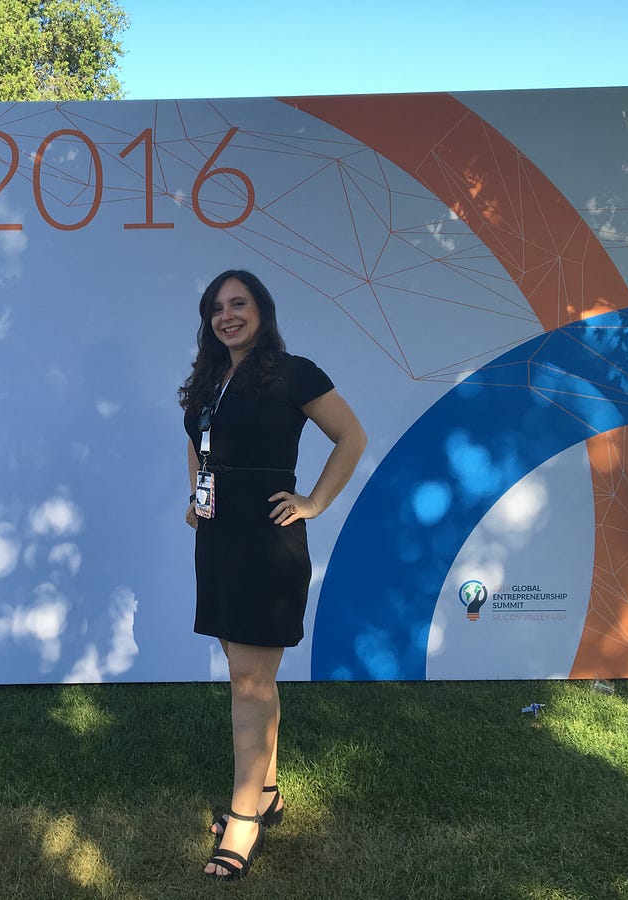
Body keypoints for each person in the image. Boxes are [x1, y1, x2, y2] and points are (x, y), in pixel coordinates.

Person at [179, 270, 367, 881]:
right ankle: (267, 791)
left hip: (266, 540)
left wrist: (314, 502)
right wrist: (196, 495)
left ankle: (243, 819)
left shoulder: (294, 372)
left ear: (262, 310)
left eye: (239, 304)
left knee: (249, 680)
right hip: (219, 538)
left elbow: (351, 436)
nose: (227, 316)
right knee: (251, 675)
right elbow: (197, 442)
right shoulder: (209, 379)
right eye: (216, 308)